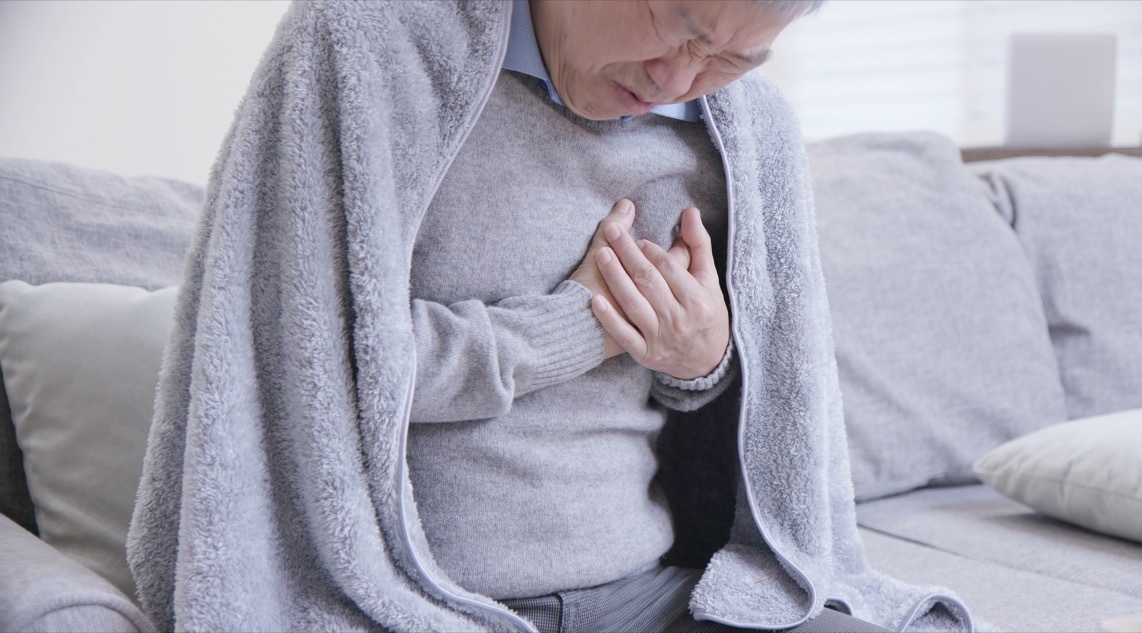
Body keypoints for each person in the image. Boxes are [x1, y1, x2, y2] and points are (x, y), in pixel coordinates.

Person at [127, 1, 972, 631]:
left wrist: (700, 360)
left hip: (654, 594)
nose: (675, 79)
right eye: (672, 20)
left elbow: (764, 442)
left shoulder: (746, 136)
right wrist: (572, 327)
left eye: (730, 58)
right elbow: (303, 366)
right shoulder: (371, 51)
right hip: (414, 598)